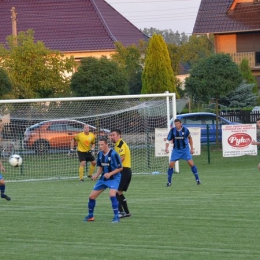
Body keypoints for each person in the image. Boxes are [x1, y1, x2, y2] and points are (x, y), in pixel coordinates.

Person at [83, 137, 123, 223]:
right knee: (91, 197)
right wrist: (96, 175)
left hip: (114, 178)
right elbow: (100, 166)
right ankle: (90, 216)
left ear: (106, 144)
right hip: (103, 178)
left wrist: (110, 174)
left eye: (102, 145)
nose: (100, 146)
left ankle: (116, 216)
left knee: (112, 194)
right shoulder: (100, 154)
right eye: (99, 145)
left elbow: (120, 168)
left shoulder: (114, 154)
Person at [165, 118, 201, 187]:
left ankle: (197, 180)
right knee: (171, 165)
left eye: (178, 124)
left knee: (191, 163)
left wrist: (192, 148)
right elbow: (168, 140)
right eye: (175, 124)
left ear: (181, 124)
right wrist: (166, 148)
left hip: (185, 150)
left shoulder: (185, 130)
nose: (176, 125)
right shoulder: (172, 131)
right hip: (176, 150)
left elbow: (190, 138)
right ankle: (169, 182)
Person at [110, 129, 132, 218]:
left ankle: (120, 212)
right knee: (119, 192)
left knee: (115, 191)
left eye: (113, 135)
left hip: (124, 170)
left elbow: (122, 158)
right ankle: (126, 212)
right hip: (125, 171)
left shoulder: (120, 144)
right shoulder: (117, 145)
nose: (112, 137)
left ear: (119, 136)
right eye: (111, 135)